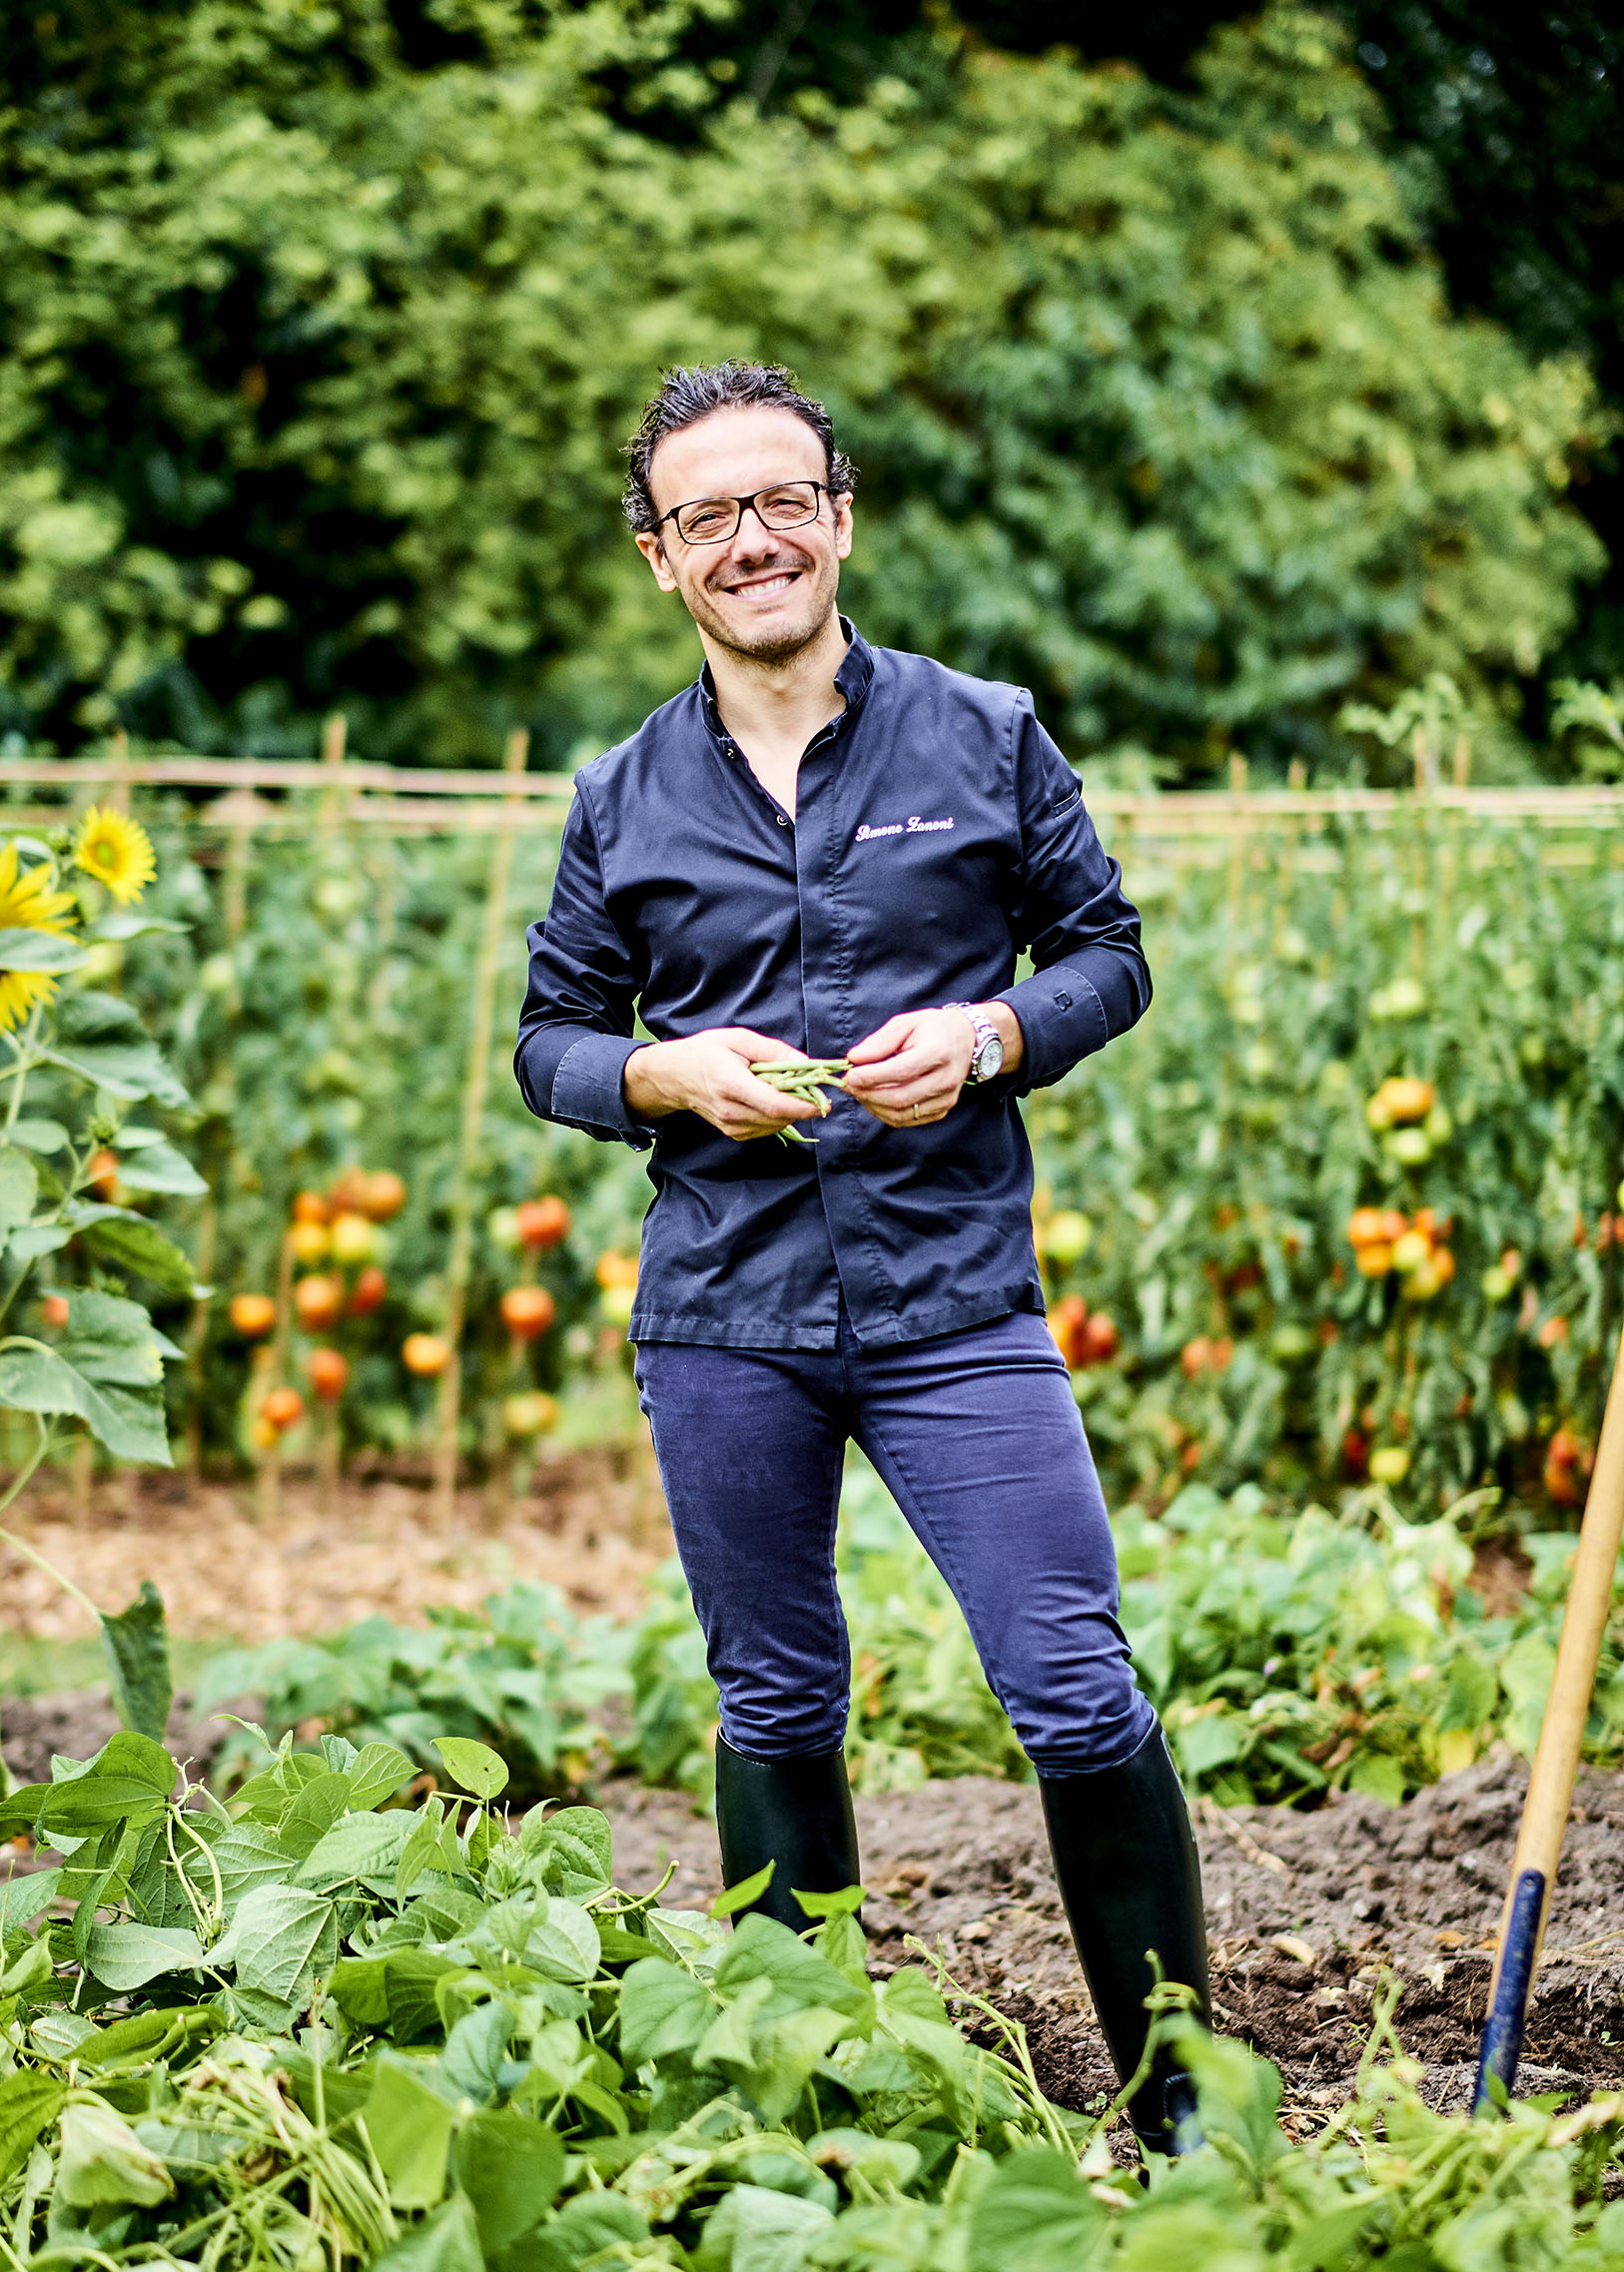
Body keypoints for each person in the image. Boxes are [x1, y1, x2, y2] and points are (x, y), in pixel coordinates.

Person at [515, 361, 1211, 2154]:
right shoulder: (621, 795)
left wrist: (991, 1035)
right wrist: (665, 1074)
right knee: (775, 1696)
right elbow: (550, 1042)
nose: (752, 538)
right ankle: (805, 2104)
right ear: (661, 556)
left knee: (1072, 1683)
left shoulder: (984, 734)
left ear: (839, 516)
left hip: (953, 1301)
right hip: (725, 1315)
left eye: (782, 500)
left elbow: (1110, 953)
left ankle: (1184, 2111)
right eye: (707, 515)